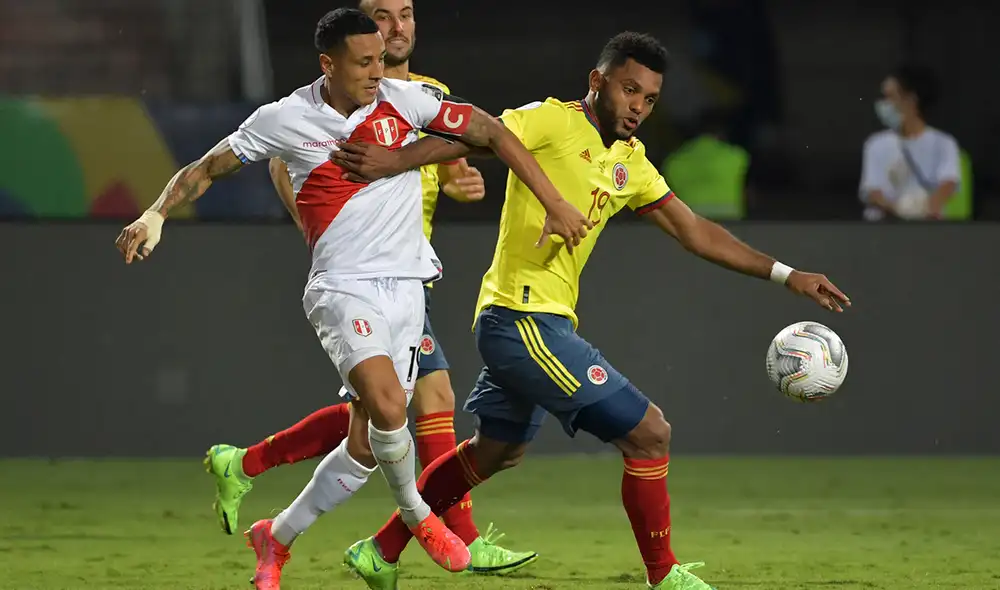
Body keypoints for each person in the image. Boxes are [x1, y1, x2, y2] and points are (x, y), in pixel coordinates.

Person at [328, 31, 851, 589]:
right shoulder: (552, 121)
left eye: (649, 99)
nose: (638, 107)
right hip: (520, 319)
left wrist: (786, 274)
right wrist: (397, 161)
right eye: (629, 90)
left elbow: (693, 230)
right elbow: (480, 135)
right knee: (650, 434)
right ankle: (665, 575)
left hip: (539, 321)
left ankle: (379, 550)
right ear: (597, 81)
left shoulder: (631, 161)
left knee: (496, 451)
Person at [113, 8, 591, 589]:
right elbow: (207, 167)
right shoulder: (286, 118)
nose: (377, 71)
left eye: (381, 59)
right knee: (393, 411)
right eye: (363, 62)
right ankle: (419, 517)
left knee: (365, 445)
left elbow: (491, 132)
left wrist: (555, 202)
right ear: (327, 63)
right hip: (343, 288)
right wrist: (157, 211)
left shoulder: (404, 101)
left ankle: (276, 535)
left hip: (409, 290)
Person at [204, 0, 537, 575]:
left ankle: (261, 496)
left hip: (411, 274)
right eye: (383, 17)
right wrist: (320, 232)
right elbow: (283, 166)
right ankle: (433, 526)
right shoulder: (312, 107)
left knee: (370, 430)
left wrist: (427, 168)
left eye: (406, 13)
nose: (398, 27)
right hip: (355, 274)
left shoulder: (423, 94)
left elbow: (467, 146)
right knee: (416, 404)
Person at [860, 64, 961, 221]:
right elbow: (873, 192)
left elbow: (948, 183)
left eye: (889, 97)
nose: (883, 104)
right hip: (884, 229)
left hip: (928, 229)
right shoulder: (875, 144)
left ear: (911, 100)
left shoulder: (943, 143)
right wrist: (901, 209)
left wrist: (926, 207)